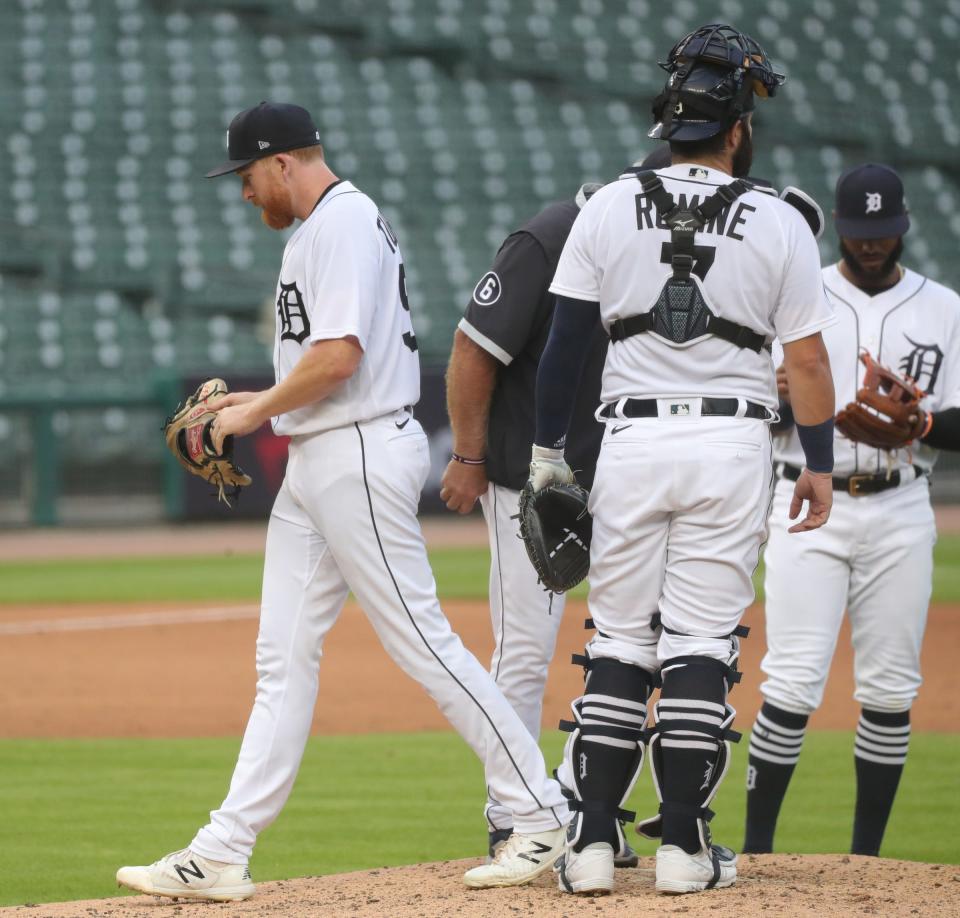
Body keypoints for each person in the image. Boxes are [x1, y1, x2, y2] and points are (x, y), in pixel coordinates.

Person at [115, 101, 571, 903]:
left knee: (423, 643)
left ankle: (537, 814)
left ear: (284, 162)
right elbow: (325, 364)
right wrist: (268, 406)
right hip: (318, 457)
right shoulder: (319, 229)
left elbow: (339, 356)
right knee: (280, 661)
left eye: (249, 176)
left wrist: (252, 411)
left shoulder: (344, 224)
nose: (246, 193)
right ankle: (224, 848)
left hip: (357, 452)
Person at [465, 23, 838, 897]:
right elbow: (811, 363)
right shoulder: (779, 220)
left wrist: (551, 453)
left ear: (665, 126)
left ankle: (592, 846)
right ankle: (684, 851)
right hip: (730, 442)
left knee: (620, 638)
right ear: (738, 128)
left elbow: (562, 348)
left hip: (629, 441)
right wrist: (816, 461)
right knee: (702, 641)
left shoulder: (604, 207)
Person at [743, 163, 960, 857]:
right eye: (862, 233)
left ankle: (867, 864)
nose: (873, 245)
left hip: (900, 505)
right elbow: (751, 410)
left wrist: (920, 429)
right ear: (840, 226)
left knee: (892, 688)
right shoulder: (795, 297)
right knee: (795, 678)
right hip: (806, 497)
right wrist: (782, 399)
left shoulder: (945, 309)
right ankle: (756, 853)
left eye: (884, 233)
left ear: (903, 226)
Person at [441, 179, 646, 867]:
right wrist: (468, 454)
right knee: (525, 652)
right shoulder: (547, 240)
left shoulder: (649, 242)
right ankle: (514, 816)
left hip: (618, 473)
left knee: (631, 647)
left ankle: (587, 804)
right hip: (530, 483)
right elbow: (473, 350)